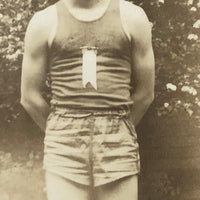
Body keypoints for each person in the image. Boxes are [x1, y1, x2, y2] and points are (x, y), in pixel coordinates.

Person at [20, 0, 155, 199]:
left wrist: (117, 128)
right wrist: (62, 128)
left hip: (117, 139)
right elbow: (29, 96)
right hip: (64, 141)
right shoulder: (44, 21)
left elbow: (145, 94)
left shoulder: (132, 17)